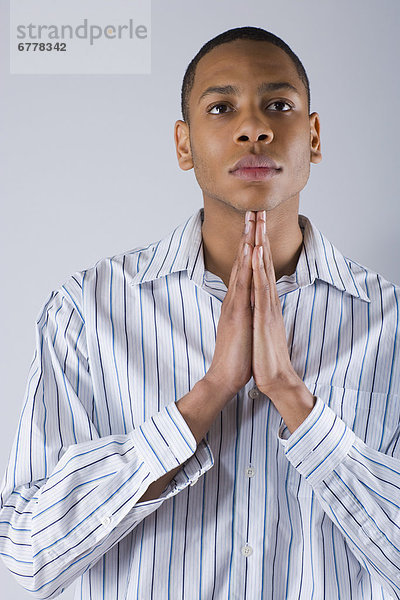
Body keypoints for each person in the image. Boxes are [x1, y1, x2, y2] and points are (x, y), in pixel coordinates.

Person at [1, 25, 400, 600]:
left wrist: (294, 399)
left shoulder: (389, 324)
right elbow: (29, 554)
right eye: (221, 107)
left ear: (313, 136)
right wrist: (205, 397)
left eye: (278, 105)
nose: (254, 128)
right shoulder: (87, 312)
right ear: (184, 145)